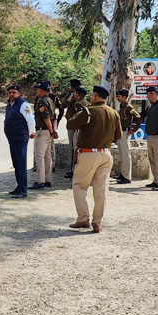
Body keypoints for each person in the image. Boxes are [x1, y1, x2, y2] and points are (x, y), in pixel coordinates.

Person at [66, 85, 121, 233]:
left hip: (88, 153)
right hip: (106, 153)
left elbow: (70, 124)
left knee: (79, 185)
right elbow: (118, 136)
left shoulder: (88, 111)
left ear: (95, 96)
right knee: (101, 189)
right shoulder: (114, 113)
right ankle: (97, 222)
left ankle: (83, 218)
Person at [3, 85, 34, 198]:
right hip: (12, 138)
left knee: (21, 164)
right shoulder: (10, 105)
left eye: (14, 92)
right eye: (10, 92)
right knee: (16, 163)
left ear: (19, 93)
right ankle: (19, 186)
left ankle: (23, 189)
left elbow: (30, 120)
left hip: (20, 138)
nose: (11, 94)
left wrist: (32, 132)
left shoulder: (23, 105)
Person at [30, 81, 57, 190]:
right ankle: (48, 179)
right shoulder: (50, 100)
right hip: (49, 131)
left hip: (43, 130)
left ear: (42, 91)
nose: (37, 91)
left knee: (39, 156)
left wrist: (51, 130)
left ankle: (40, 180)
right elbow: (54, 117)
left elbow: (46, 118)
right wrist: (53, 130)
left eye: (38, 90)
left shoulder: (42, 101)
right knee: (47, 156)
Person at [115, 89, 142, 184]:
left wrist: (134, 130)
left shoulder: (129, 107)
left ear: (124, 97)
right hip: (120, 132)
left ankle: (127, 176)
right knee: (122, 154)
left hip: (125, 132)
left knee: (126, 155)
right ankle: (123, 174)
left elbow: (138, 118)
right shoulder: (121, 106)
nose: (117, 98)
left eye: (119, 96)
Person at [63, 79, 81, 178]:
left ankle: (74, 169)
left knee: (75, 148)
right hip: (72, 124)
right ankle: (73, 168)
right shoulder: (75, 95)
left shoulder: (75, 96)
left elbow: (64, 104)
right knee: (73, 147)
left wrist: (69, 94)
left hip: (74, 126)